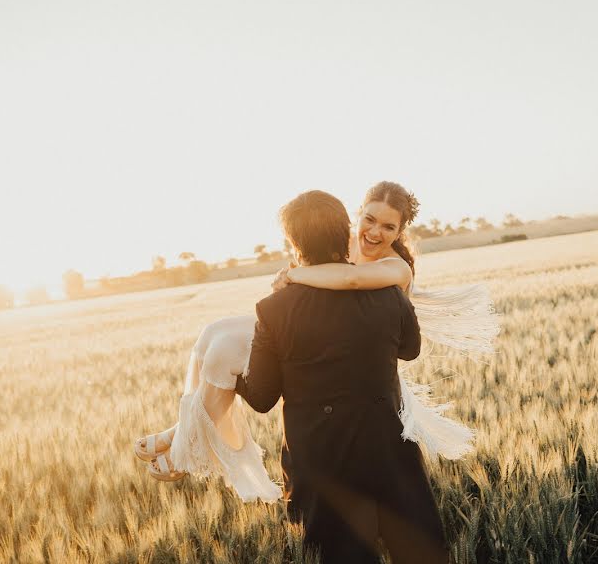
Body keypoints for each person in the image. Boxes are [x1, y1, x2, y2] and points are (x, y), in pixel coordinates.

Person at [133, 182, 498, 502]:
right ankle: (182, 431)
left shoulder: (396, 266)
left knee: (228, 349)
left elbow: (350, 283)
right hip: (318, 331)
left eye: (388, 226)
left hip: (349, 350)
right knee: (215, 335)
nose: (373, 233)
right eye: (369, 219)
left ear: (401, 230)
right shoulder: (345, 243)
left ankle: (183, 449)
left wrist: (295, 273)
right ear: (359, 212)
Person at [236, 189, 447, 562]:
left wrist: (232, 373)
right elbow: (410, 349)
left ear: (292, 242)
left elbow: (262, 397)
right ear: (348, 227)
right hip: (389, 452)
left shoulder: (272, 308)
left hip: (322, 467)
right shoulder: (389, 292)